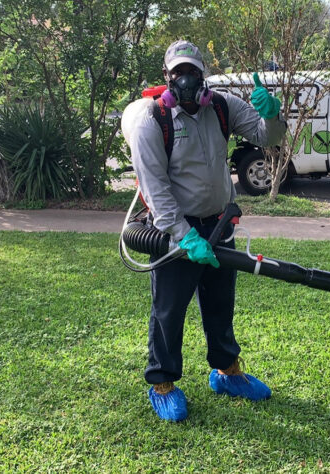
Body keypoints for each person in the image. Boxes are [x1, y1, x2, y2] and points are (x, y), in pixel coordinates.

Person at [122, 40, 287, 422]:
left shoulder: (224, 107)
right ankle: (162, 384)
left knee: (219, 305)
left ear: (203, 76)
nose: (185, 80)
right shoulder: (153, 121)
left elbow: (269, 137)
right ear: (167, 77)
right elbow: (155, 189)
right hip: (174, 231)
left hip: (219, 223)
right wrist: (183, 235)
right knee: (169, 310)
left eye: (192, 72)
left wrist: (274, 114)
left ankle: (227, 373)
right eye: (178, 73)